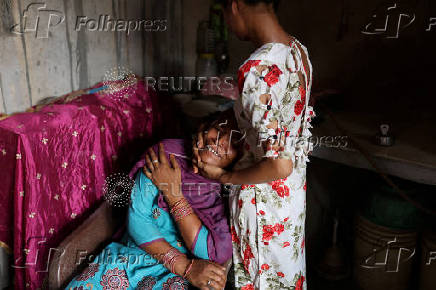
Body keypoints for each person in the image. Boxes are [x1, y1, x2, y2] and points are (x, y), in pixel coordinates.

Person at [192, 0, 315, 289]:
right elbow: (279, 122)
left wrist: (225, 177)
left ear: (234, 6)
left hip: (263, 205)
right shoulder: (298, 52)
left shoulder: (256, 70)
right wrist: (224, 122)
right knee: (286, 277)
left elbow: (278, 163)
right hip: (291, 200)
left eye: (224, 14)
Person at [66, 117, 242, 290]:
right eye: (219, 130)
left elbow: (211, 251)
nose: (220, 141)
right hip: (133, 255)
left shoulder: (229, 193)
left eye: (234, 143)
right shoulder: (168, 156)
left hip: (177, 275)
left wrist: (174, 195)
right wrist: (184, 267)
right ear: (204, 127)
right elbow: (139, 221)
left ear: (242, 158)